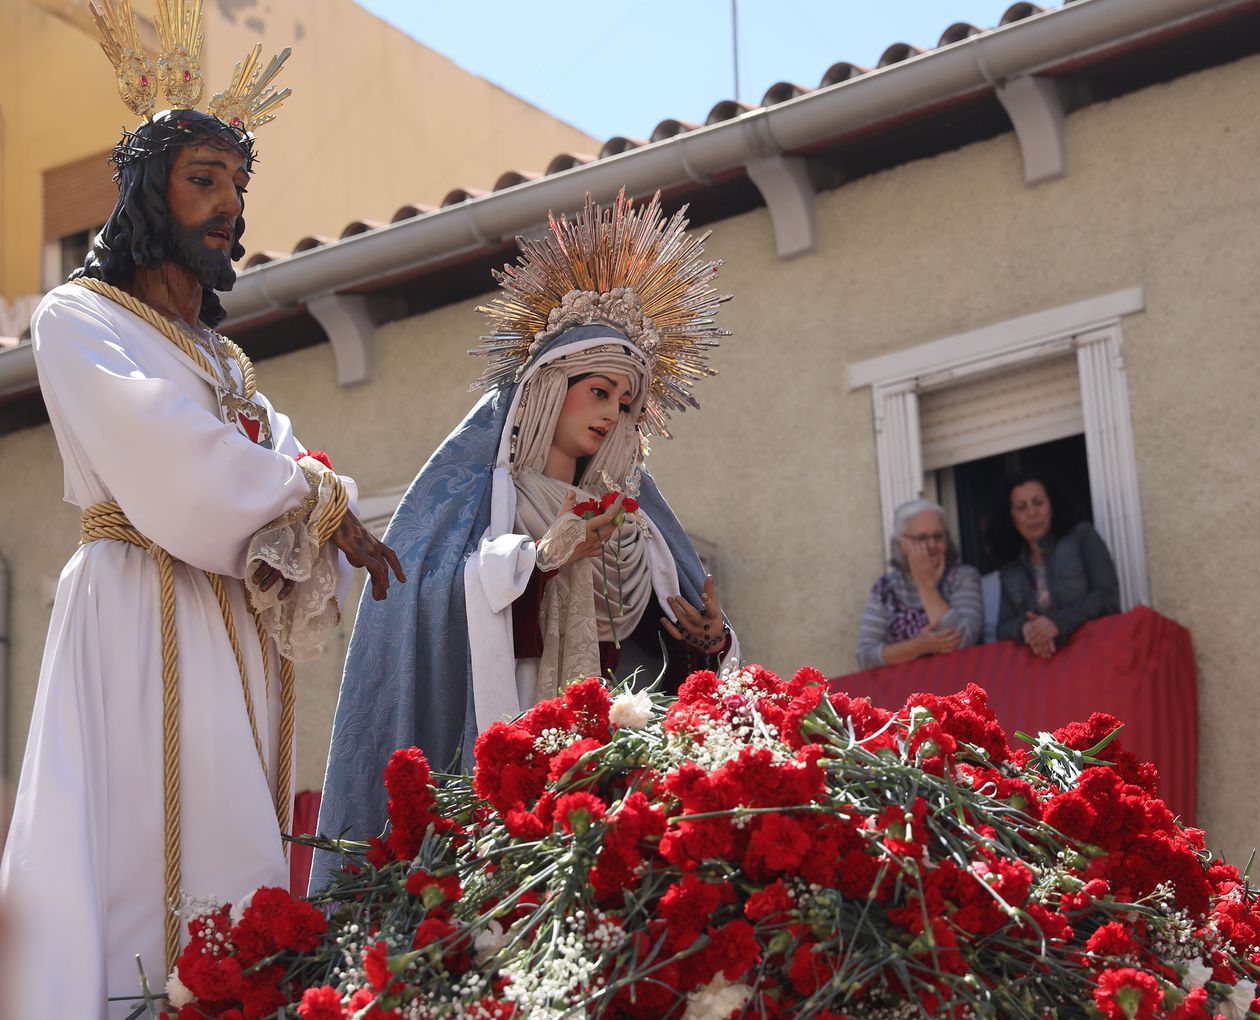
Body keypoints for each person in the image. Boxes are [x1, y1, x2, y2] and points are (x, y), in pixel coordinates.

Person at [0, 6, 403, 1015]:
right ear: (147, 192)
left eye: (236, 184)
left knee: (233, 840)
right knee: (136, 851)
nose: (228, 204)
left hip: (228, 617)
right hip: (137, 604)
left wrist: (316, 495)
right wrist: (322, 498)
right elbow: (179, 464)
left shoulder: (227, 360)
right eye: (203, 180)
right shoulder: (80, 319)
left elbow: (275, 452)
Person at [313, 192, 736, 889]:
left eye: (625, 404)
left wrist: (704, 639)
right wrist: (537, 565)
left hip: (619, 772)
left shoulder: (637, 521)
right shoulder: (469, 506)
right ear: (546, 391)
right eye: (598, 391)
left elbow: (653, 650)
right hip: (510, 764)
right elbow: (431, 604)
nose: (611, 415)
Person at [992, 474, 1120, 658]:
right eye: (1021, 508)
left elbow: (1108, 597)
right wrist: (1025, 628)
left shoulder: (1082, 537)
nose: (1032, 513)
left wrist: (1057, 623)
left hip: (1097, 656)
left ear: (1053, 505)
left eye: (1038, 503)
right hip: (1048, 671)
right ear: (1010, 517)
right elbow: (1003, 627)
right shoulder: (1011, 568)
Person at [856, 499, 983, 669]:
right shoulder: (886, 588)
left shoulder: (963, 577)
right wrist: (920, 646)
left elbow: (962, 641)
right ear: (901, 544)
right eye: (921, 538)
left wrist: (926, 587)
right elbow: (865, 657)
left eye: (938, 537)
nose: (931, 545)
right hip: (905, 691)